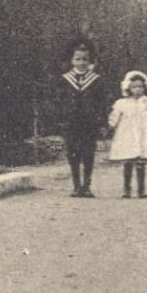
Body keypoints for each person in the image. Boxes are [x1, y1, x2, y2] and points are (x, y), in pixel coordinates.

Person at [57, 38, 113, 198]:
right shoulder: (64, 80)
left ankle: (87, 185)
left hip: (89, 124)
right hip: (70, 123)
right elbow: (58, 102)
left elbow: (103, 103)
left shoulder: (96, 80)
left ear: (90, 61)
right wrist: (60, 119)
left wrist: (102, 122)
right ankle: (76, 186)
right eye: (78, 59)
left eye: (85, 59)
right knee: (72, 153)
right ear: (72, 60)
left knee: (88, 153)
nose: (81, 63)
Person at [108, 70, 147, 198]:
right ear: (129, 88)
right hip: (127, 135)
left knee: (140, 162)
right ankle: (126, 190)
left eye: (140, 86)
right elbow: (115, 115)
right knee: (127, 162)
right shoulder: (122, 103)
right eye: (134, 87)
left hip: (143, 134)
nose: (138, 89)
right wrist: (111, 124)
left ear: (145, 88)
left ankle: (141, 190)